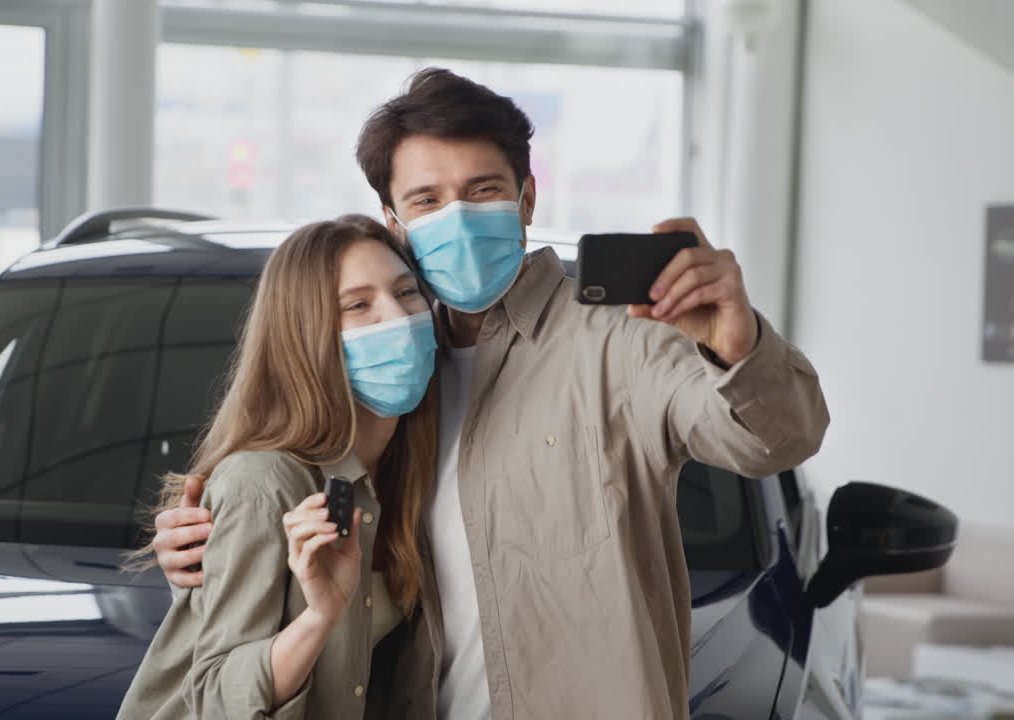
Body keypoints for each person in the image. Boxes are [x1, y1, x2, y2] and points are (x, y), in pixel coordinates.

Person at [152, 68, 830, 719]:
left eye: (482, 191)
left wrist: (735, 348)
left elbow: (773, 438)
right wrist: (215, 537)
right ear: (393, 220)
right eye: (426, 200)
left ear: (526, 198)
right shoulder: (390, 382)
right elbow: (295, 504)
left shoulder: (621, 337)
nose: (457, 218)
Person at [117, 215, 443, 719]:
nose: (397, 318)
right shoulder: (265, 481)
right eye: (358, 305)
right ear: (306, 336)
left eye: (406, 293)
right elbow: (216, 693)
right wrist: (319, 618)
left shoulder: (417, 469)